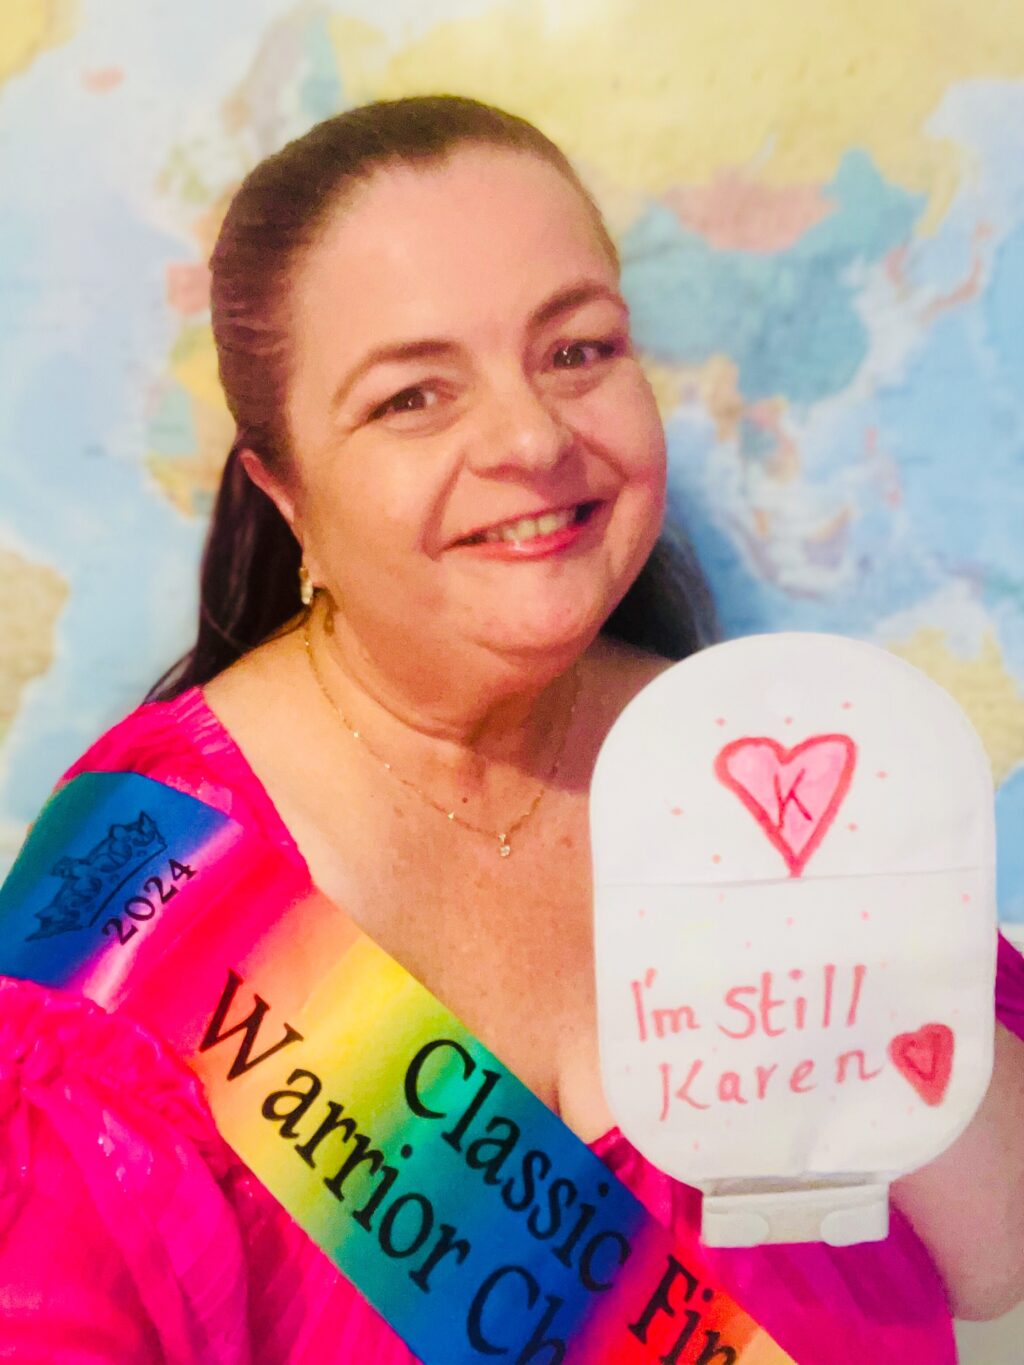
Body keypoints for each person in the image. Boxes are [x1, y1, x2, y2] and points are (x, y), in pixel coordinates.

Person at [1, 95, 1022, 1364]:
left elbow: (996, 1253)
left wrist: (824, 924)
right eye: (414, 396)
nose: (534, 438)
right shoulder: (134, 900)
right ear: (286, 494)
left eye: (577, 350)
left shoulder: (771, 760)